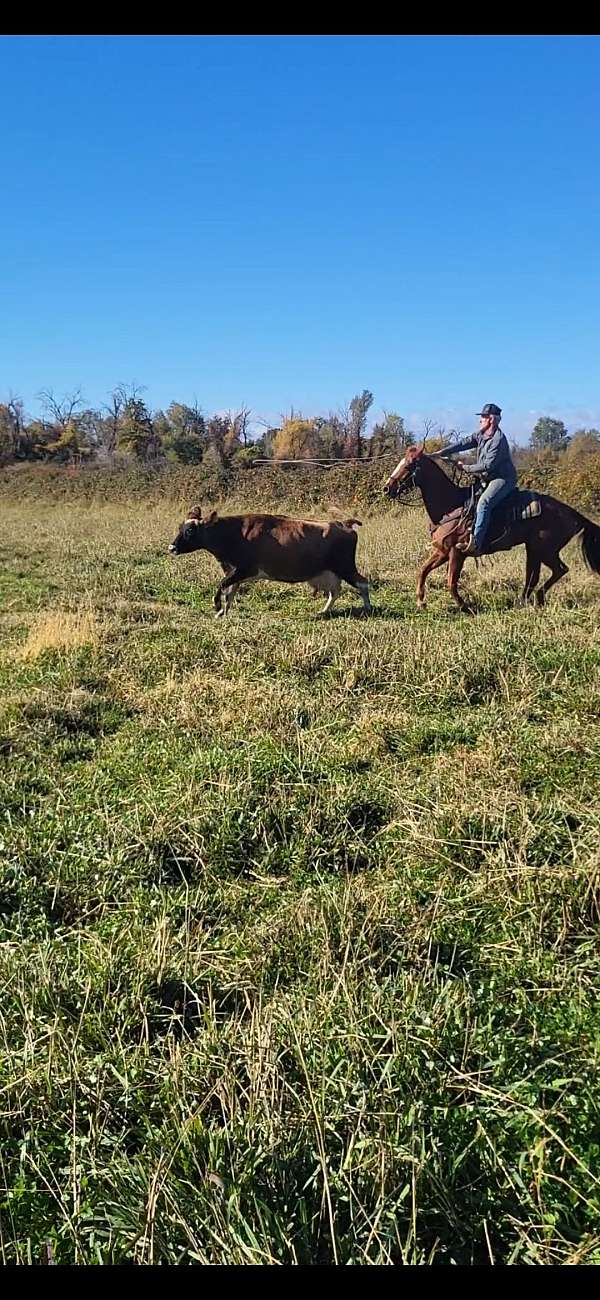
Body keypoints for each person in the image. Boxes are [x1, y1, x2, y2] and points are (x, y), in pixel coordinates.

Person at [437, 403, 518, 555]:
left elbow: (487, 465)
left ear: (492, 420)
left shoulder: (498, 440)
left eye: (484, 417)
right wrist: (442, 451)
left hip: (501, 479)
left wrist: (465, 468)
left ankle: (476, 543)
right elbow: (464, 443)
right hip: (486, 477)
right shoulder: (481, 434)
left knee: (484, 503)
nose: (481, 420)